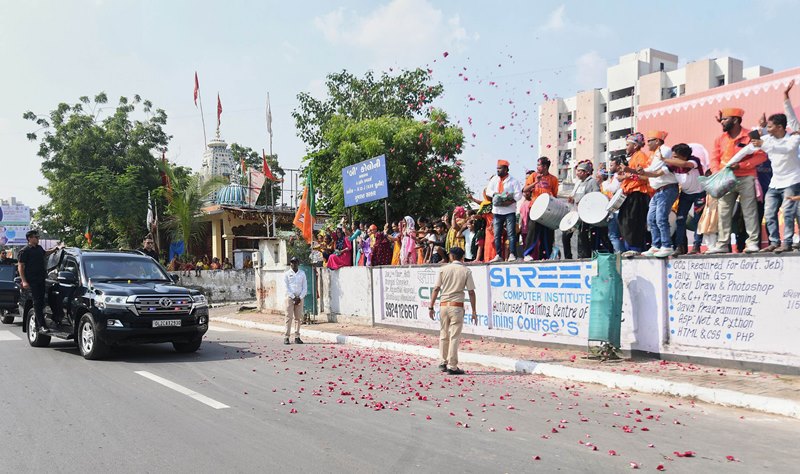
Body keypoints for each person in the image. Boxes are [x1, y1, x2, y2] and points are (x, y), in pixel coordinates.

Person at [705, 107, 768, 254]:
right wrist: (716, 174)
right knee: (723, 212)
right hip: (725, 178)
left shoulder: (751, 135)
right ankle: (722, 244)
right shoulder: (719, 139)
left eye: (725, 119)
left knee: (749, 211)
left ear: (735, 119)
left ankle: (752, 243)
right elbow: (714, 158)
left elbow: (761, 156)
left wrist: (741, 165)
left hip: (746, 176)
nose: (722, 122)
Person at [627, 131, 679, 258]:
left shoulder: (665, 150)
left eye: (650, 140)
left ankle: (667, 245)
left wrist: (639, 171)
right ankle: (656, 245)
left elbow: (655, 169)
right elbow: (648, 171)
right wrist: (636, 171)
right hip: (658, 191)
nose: (647, 143)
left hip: (667, 189)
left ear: (657, 141)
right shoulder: (653, 154)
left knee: (661, 218)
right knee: (651, 219)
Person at [428, 247, 477, 376]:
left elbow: (436, 289)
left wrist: (431, 306)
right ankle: (452, 365)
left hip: (443, 305)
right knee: (454, 336)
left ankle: (443, 361)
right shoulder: (466, 271)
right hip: (456, 306)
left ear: (451, 257)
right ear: (462, 257)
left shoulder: (443, 269)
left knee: (444, 334)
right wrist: (474, 311)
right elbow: (471, 292)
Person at [17, 230, 62, 333]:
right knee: (37, 303)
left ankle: (52, 320)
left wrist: (55, 249)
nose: (38, 239)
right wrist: (24, 281)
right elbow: (21, 266)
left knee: (43, 301)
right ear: (29, 238)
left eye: (38, 237)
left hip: (41, 279)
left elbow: (45, 253)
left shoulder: (39, 248)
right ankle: (41, 325)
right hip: (32, 281)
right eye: (35, 237)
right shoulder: (25, 251)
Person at [664, 143, 706, 255]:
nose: (673, 159)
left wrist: (665, 159)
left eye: (675, 157)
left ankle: (697, 245)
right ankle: (679, 246)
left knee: (698, 220)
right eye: (672, 157)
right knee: (680, 220)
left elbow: (685, 164)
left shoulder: (694, 160)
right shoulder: (673, 165)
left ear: (684, 156)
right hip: (685, 194)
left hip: (699, 193)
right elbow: (658, 173)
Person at [565, 161, 612, 258]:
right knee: (573, 235)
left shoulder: (592, 182)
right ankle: (577, 256)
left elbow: (596, 196)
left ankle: (585, 256)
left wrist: (584, 202)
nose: (577, 173)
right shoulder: (578, 183)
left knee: (585, 236)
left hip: (587, 215)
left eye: (580, 171)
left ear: (587, 172)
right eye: (577, 171)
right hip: (579, 214)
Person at [618, 132, 653, 257]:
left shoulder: (641, 156)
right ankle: (631, 247)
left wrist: (629, 173)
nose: (626, 147)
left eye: (628, 145)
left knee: (633, 221)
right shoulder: (633, 157)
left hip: (638, 193)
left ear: (635, 145)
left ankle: (636, 247)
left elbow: (644, 176)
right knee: (624, 220)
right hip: (630, 193)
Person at [484, 159, 523, 262]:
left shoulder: (513, 181)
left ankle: (512, 254)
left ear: (506, 169)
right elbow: (488, 190)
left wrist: (510, 200)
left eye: (500, 168)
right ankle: (498, 255)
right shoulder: (494, 180)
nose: (498, 170)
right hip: (497, 211)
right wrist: (497, 195)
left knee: (511, 233)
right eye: (497, 168)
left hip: (509, 211)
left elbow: (519, 194)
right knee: (497, 234)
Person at [522, 156, 559, 260]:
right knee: (532, 231)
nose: (537, 167)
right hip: (535, 208)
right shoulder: (533, 176)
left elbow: (555, 195)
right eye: (537, 165)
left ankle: (546, 256)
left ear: (545, 166)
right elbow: (525, 189)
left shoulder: (553, 179)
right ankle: (528, 254)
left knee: (547, 233)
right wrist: (536, 182)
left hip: (548, 210)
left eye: (539, 165)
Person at [602, 156, 626, 253]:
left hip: (617, 209)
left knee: (613, 235)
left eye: (612, 165)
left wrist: (604, 184)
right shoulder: (619, 175)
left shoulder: (617, 175)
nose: (610, 168)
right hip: (620, 208)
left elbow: (612, 189)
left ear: (618, 165)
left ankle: (619, 254)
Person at [283, 256, 306, 345]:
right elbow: (286, 287)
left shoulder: (302, 273)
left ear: (298, 264)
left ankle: (297, 337)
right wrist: (293, 297)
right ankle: (286, 337)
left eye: (295, 262)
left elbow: (305, 287)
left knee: (298, 318)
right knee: (288, 317)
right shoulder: (287, 274)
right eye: (292, 262)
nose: (293, 264)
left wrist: (300, 297)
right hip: (289, 298)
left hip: (299, 298)